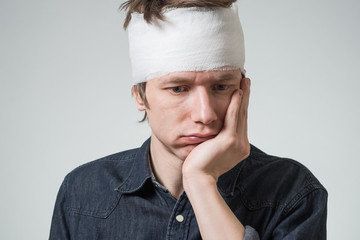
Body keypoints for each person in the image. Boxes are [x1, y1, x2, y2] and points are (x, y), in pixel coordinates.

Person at [49, 0, 327, 239]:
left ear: (243, 91)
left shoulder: (292, 192)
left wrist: (200, 181)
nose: (205, 114)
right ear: (140, 96)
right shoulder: (82, 192)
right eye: (178, 88)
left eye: (221, 87)